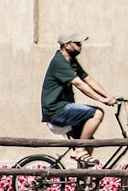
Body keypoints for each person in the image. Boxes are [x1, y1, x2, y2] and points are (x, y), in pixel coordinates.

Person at [40, 30, 118, 165]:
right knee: (97, 113)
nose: (80, 46)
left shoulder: (71, 61)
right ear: (66, 45)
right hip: (56, 110)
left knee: (90, 143)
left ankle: (81, 183)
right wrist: (102, 100)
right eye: (76, 43)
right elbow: (79, 84)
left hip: (64, 108)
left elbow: (88, 79)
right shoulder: (59, 62)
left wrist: (108, 96)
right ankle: (79, 150)